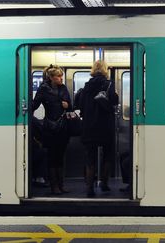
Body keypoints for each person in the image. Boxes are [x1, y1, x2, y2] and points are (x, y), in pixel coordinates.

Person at [79, 60, 118, 197]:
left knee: (90, 158)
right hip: (105, 125)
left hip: (89, 126)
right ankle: (104, 183)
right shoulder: (109, 84)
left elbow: (81, 105)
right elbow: (114, 101)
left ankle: (89, 188)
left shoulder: (86, 86)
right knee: (107, 155)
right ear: (105, 69)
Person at [33, 64, 72, 195]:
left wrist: (68, 105)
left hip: (62, 126)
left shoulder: (63, 88)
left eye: (62, 76)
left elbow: (70, 106)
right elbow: (34, 105)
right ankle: (54, 186)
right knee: (51, 157)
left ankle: (61, 185)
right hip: (49, 126)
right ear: (51, 77)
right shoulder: (43, 89)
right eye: (58, 76)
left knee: (60, 156)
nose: (61, 78)